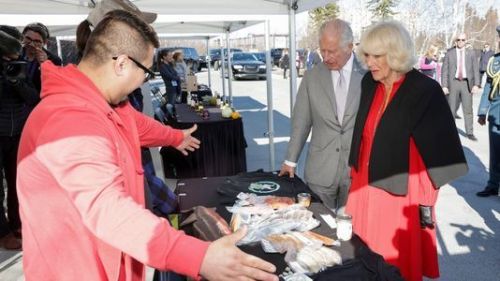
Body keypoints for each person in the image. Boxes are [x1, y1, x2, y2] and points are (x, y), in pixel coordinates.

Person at [16, 9, 277, 281]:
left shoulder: (104, 101)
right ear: (122, 64)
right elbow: (109, 211)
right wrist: (198, 256)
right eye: (146, 70)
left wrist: (176, 137)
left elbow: (138, 125)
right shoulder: (69, 120)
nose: (145, 79)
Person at [346, 21, 468, 281]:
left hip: (401, 196)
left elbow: (441, 153)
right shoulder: (370, 82)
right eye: (366, 55)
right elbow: (362, 134)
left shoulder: (425, 90)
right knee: (361, 256)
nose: (369, 62)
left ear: (396, 54)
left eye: (376, 56)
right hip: (365, 187)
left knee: (393, 263)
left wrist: (426, 200)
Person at [279, 19, 366, 213]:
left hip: (357, 172)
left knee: (350, 234)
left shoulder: (369, 75)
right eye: (322, 50)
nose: (326, 57)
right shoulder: (312, 77)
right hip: (320, 170)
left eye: (332, 51)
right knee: (317, 227)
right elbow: (301, 122)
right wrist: (290, 160)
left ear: (350, 46)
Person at [0, 25, 38, 250]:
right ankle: (3, 231)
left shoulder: (20, 67)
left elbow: (33, 98)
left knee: (17, 182)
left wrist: (15, 80)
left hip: (17, 133)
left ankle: (17, 223)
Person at [441, 32, 481, 140]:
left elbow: (475, 69)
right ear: (456, 41)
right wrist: (444, 85)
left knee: (468, 109)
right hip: (453, 83)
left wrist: (477, 84)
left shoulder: (471, 53)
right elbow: (444, 70)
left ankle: (469, 132)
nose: (461, 42)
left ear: (466, 41)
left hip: (466, 83)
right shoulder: (450, 53)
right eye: (459, 39)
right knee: (451, 109)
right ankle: (450, 132)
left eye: (463, 40)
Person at [476, 25, 500, 198]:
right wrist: (483, 111)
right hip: (496, 111)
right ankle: (493, 185)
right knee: (496, 152)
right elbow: (488, 86)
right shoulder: (495, 61)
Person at [21, 22, 62, 92]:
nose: (31, 44)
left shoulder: (53, 60)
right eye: (28, 38)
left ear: (45, 42)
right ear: (22, 36)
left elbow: (54, 85)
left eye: (37, 41)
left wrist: (46, 66)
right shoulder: (13, 53)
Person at [159, 49, 182, 117]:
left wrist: (176, 77)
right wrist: (177, 77)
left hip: (176, 88)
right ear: (164, 57)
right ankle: (169, 121)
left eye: (171, 55)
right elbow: (171, 76)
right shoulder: (162, 66)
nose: (171, 57)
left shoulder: (170, 65)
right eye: (169, 56)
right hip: (171, 89)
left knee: (175, 106)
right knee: (171, 107)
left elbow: (175, 74)